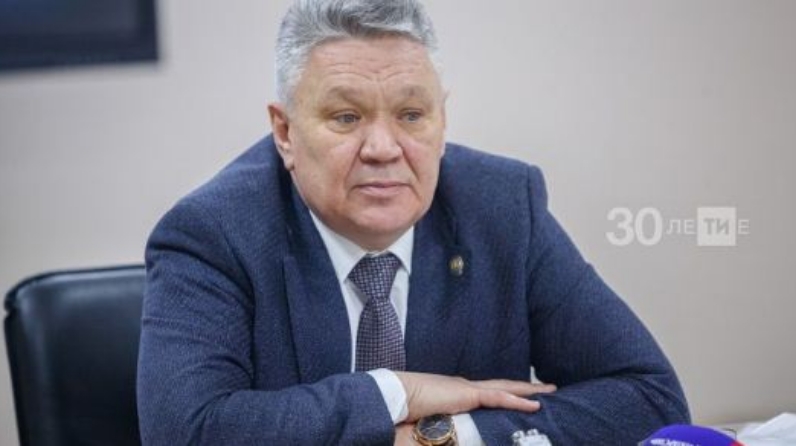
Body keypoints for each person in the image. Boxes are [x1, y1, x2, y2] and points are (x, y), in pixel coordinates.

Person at [136, 0, 690, 444]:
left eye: (411, 115)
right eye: (346, 117)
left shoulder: (503, 207)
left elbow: (651, 398)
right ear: (285, 132)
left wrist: (447, 437)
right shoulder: (212, 233)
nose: (383, 147)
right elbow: (185, 433)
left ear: (442, 119)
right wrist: (396, 394)